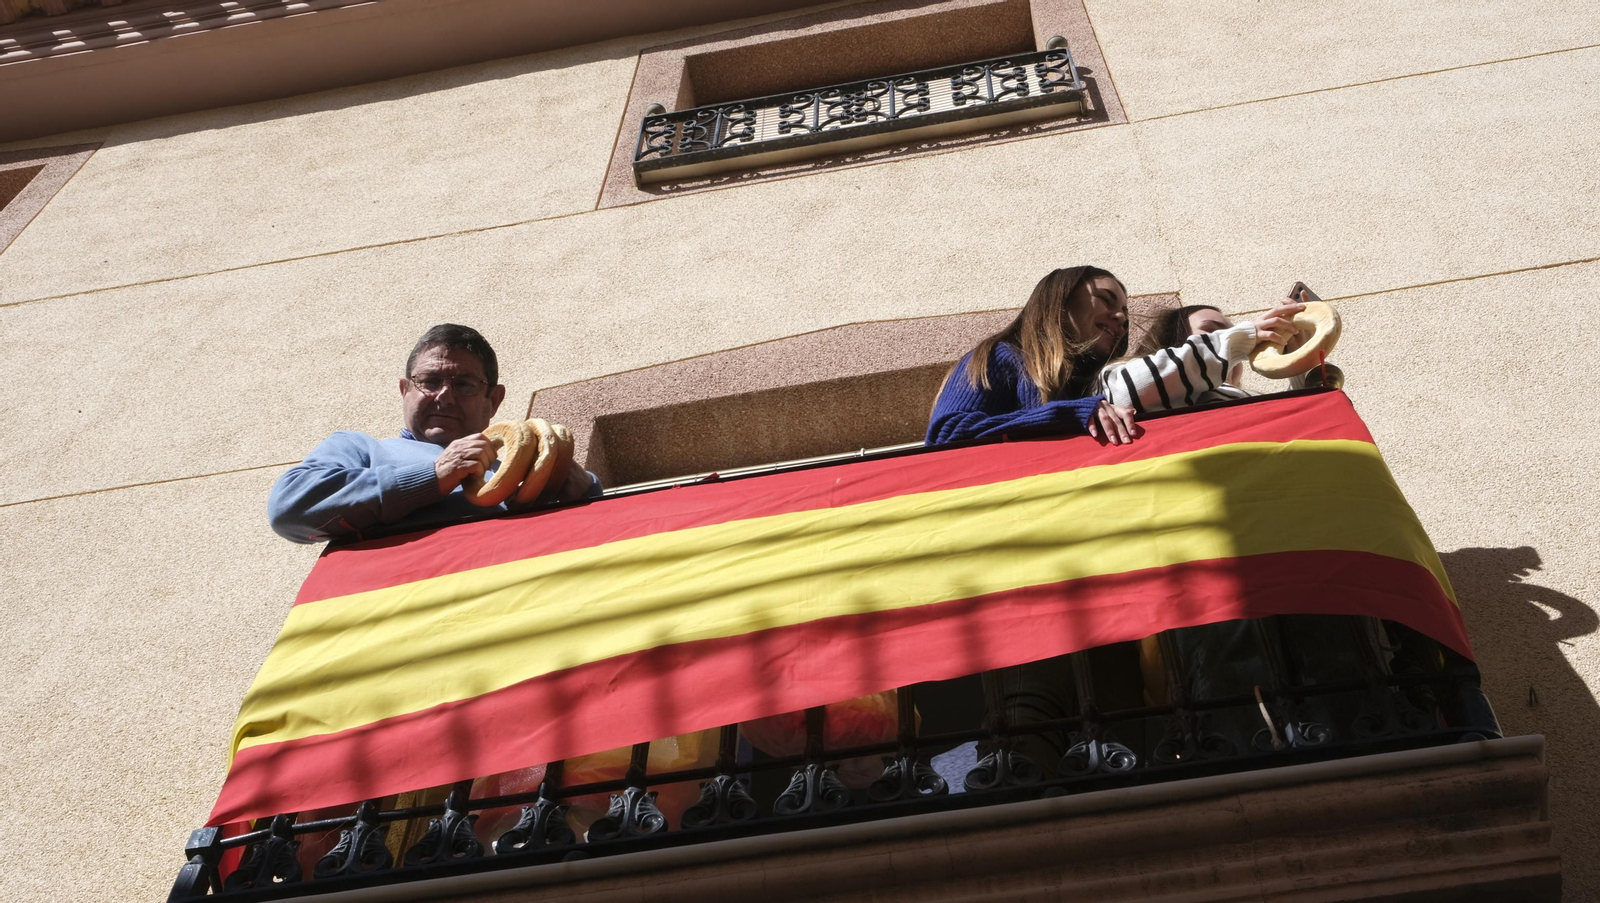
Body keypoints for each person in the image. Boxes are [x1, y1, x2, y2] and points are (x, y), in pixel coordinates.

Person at [268, 324, 596, 544]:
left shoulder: (527, 467)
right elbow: (289, 507)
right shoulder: (360, 448)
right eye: (430, 381)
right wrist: (435, 474)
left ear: (493, 401)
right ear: (404, 390)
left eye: (464, 384)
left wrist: (589, 496)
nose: (445, 395)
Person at [926, 266, 1142, 446]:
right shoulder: (999, 357)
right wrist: (1070, 414)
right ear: (1061, 302)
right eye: (1105, 299)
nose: (1122, 317)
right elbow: (948, 436)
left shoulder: (1086, 386)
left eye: (1125, 311)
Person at [1099, 293, 1304, 414]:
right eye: (1212, 331)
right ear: (1174, 342)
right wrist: (1240, 338)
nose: (1228, 338)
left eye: (1230, 333)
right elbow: (1125, 394)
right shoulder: (1121, 374)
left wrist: (1300, 364)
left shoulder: (1254, 397)